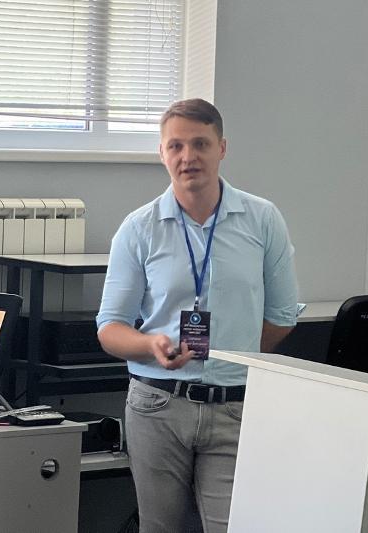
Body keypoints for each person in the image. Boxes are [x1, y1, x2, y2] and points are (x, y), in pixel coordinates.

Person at [96, 98, 299, 533]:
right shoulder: (139, 228)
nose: (188, 156)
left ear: (221, 148)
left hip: (235, 406)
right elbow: (110, 328)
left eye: (200, 144)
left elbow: (282, 315)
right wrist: (150, 344)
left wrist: (232, 355)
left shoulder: (262, 220)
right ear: (162, 153)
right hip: (158, 404)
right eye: (176, 146)